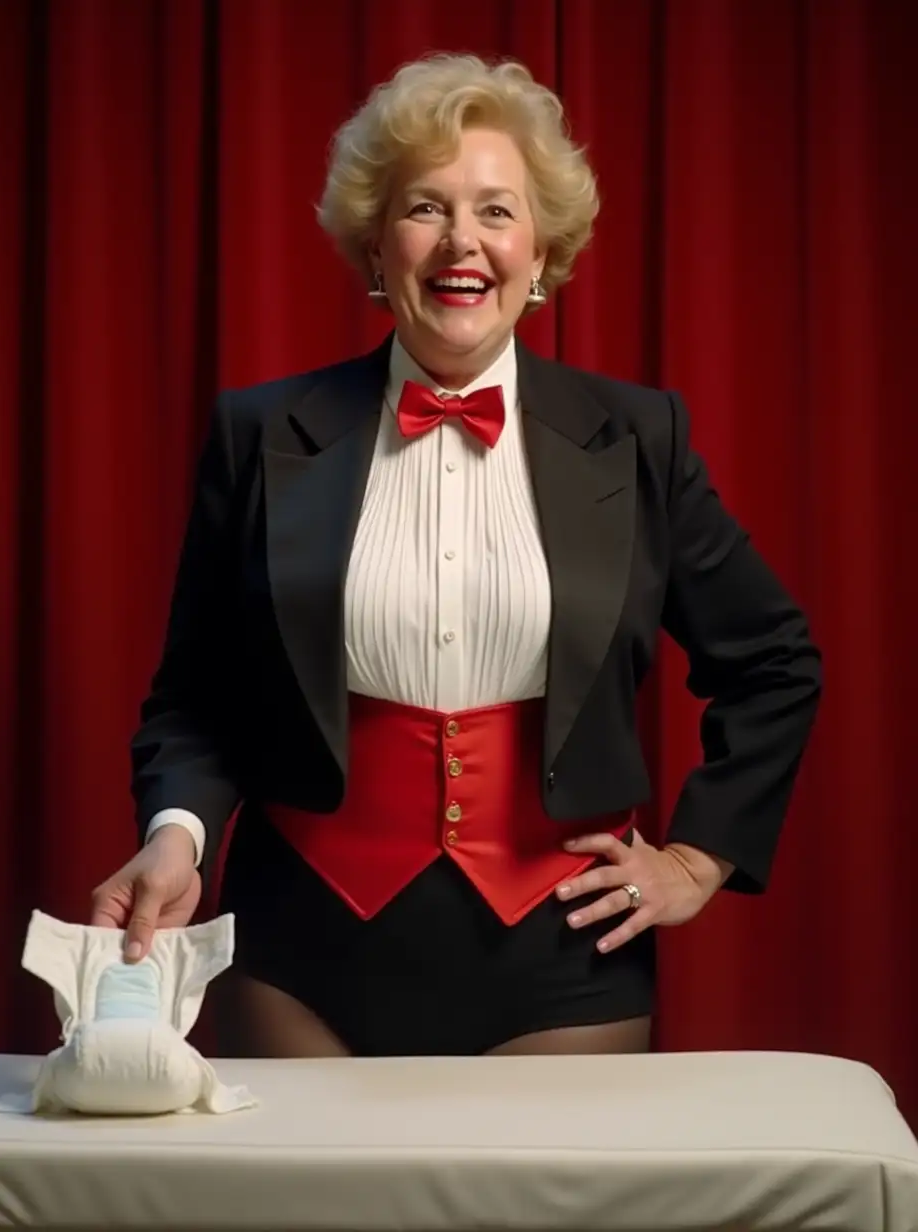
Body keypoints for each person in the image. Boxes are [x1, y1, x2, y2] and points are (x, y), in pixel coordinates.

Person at [91, 53, 822, 1058]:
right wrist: (174, 836)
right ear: (376, 246)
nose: (461, 241)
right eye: (424, 208)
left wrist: (697, 856)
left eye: (495, 210)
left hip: (566, 958)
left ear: (541, 251)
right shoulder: (259, 433)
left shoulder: (636, 436)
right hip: (301, 947)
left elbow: (773, 658)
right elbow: (195, 697)